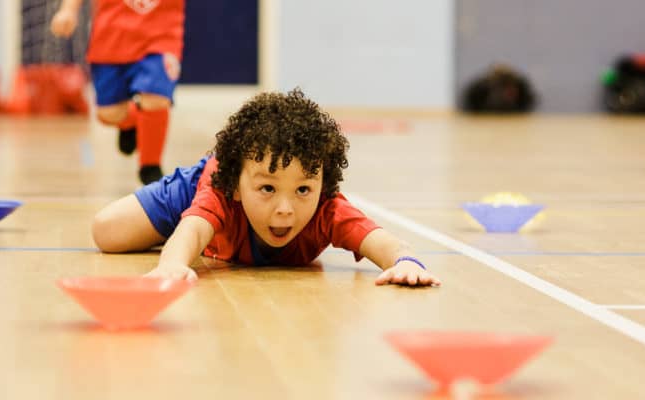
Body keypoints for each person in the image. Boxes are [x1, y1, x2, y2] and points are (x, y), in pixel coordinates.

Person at [91, 89, 441, 287]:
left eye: (303, 190)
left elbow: (385, 243)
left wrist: (405, 262)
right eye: (268, 189)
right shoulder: (221, 190)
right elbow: (194, 228)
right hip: (198, 188)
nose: (285, 208)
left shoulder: (327, 210)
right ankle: (182, 223)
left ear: (322, 185)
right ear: (238, 186)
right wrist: (173, 263)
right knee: (108, 232)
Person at [51, 0, 185, 183]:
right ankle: (134, 122)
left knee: (155, 99)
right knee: (108, 114)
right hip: (111, 40)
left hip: (160, 39)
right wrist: (68, 10)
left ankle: (150, 167)